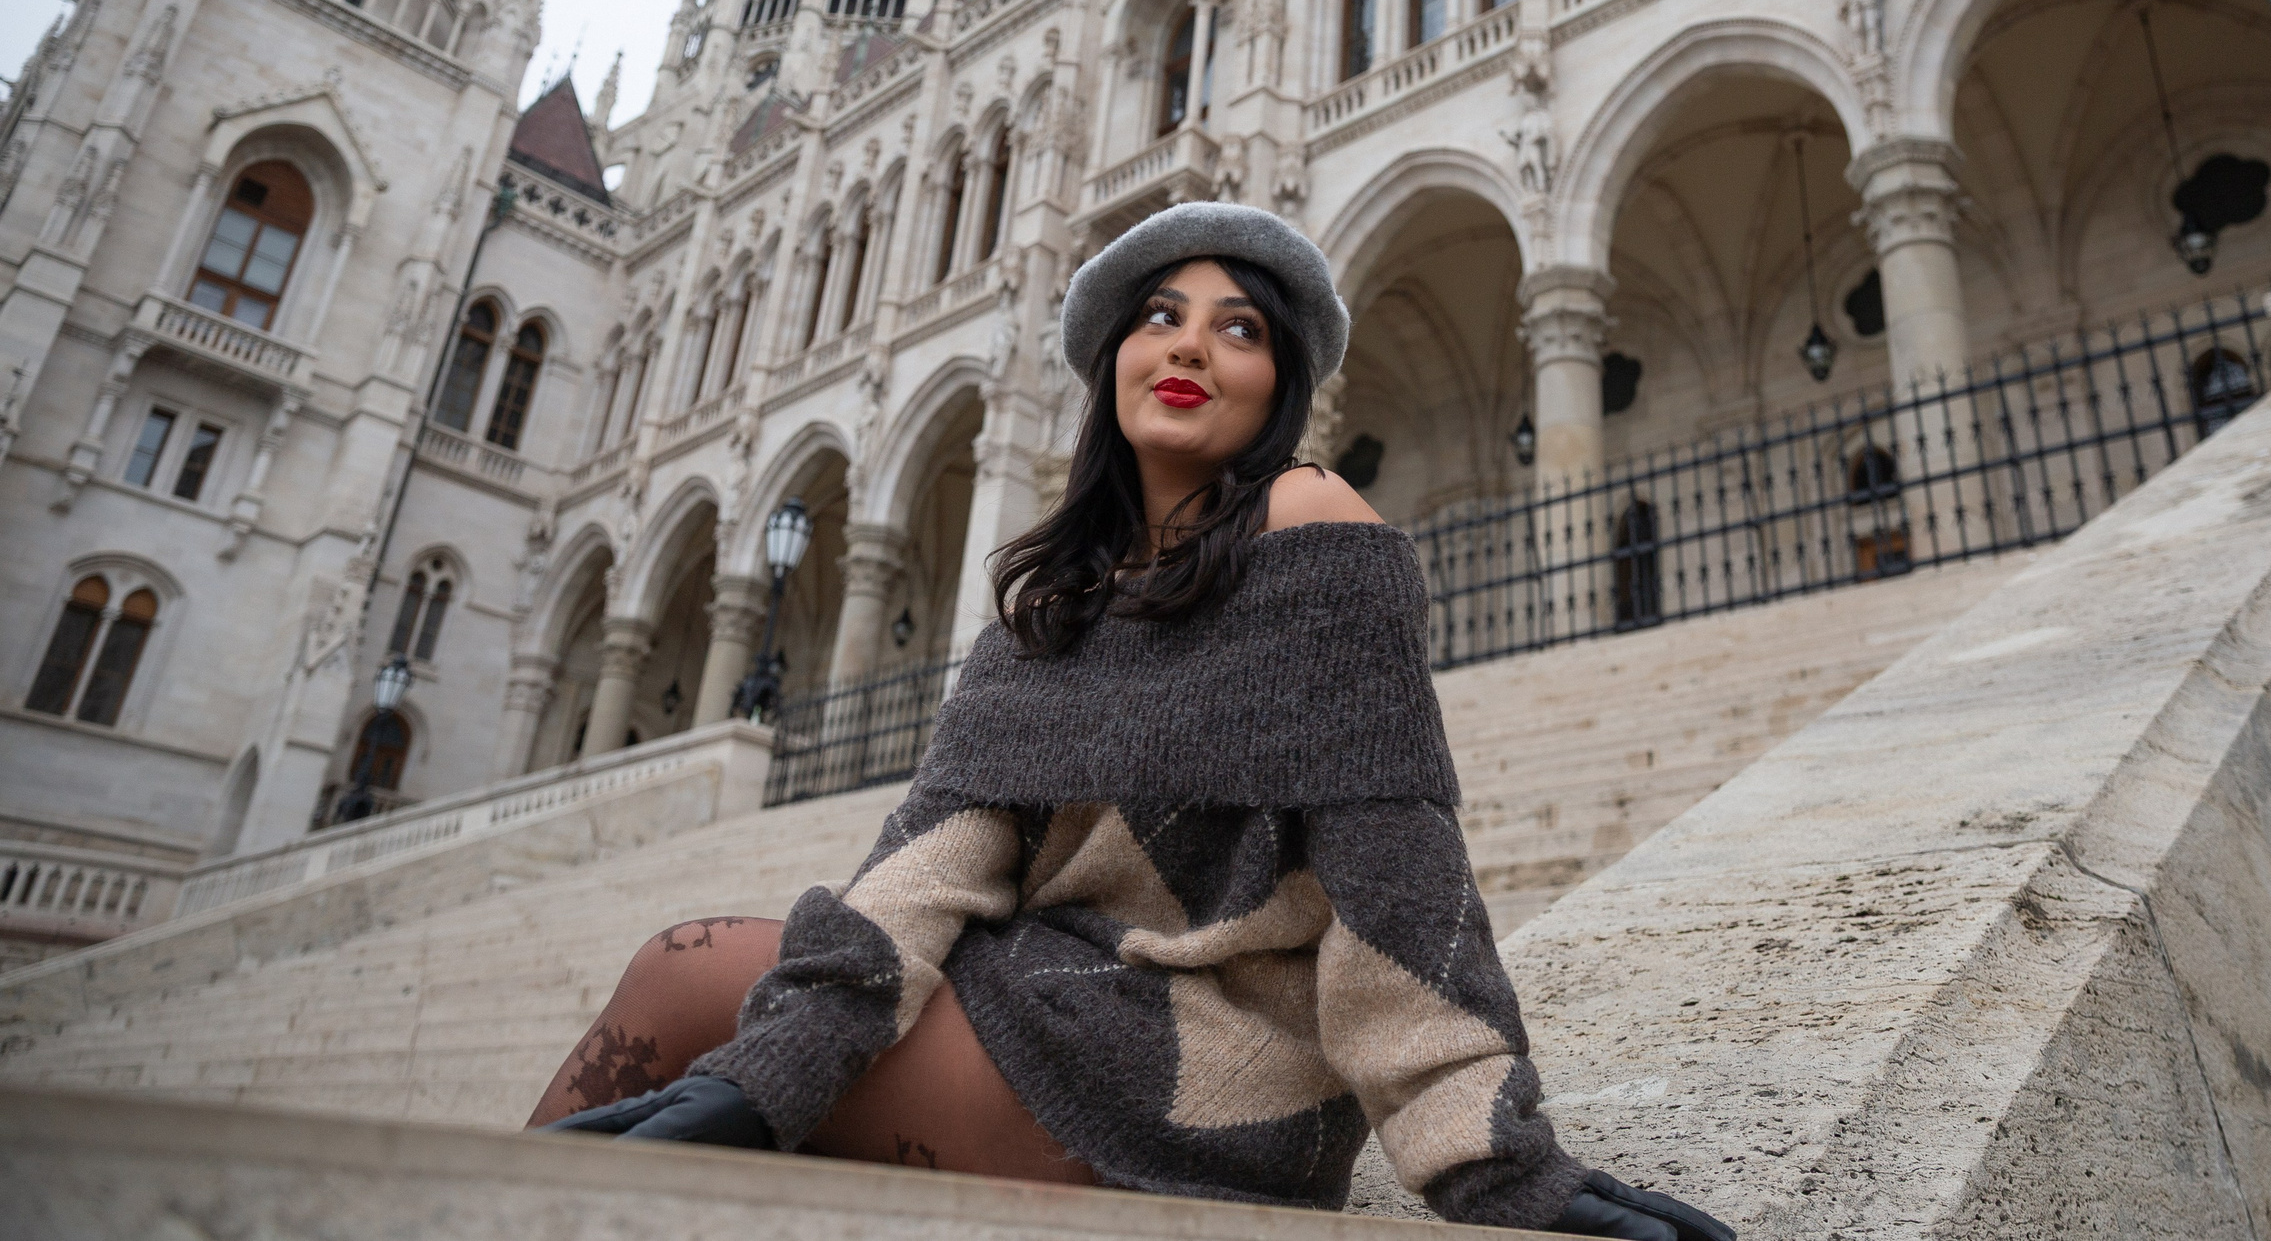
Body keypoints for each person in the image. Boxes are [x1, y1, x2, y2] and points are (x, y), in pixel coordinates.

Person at [529, 202, 1734, 1241]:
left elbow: (1395, 860)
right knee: (702, 995)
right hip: (1039, 1011)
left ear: (1280, 387)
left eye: (1239, 328)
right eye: (1160, 316)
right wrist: (778, 1066)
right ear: (1111, 359)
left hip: (1199, 1073)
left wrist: (1489, 1151)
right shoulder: (1052, 603)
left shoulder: (1313, 525)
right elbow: (929, 865)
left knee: (683, 982)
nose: (1192, 348)